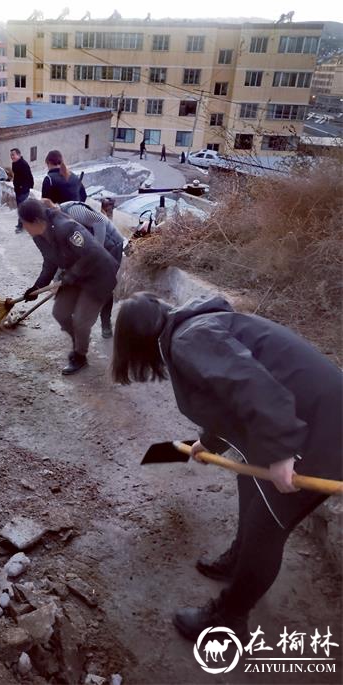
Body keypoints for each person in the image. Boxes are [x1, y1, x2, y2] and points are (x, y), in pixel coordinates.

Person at [112, 292, 342, 640]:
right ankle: (239, 557)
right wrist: (210, 442)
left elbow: (252, 386)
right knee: (249, 485)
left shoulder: (190, 339)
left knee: (266, 527)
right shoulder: (191, 327)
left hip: (322, 432)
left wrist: (282, 452)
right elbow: (225, 398)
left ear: (137, 343)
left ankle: (229, 618)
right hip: (304, 420)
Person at [19, 199, 118, 375]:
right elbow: (49, 262)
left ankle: (79, 356)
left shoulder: (66, 227)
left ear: (35, 221)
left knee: (81, 319)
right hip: (75, 276)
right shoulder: (39, 237)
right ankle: (78, 339)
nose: (24, 228)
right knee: (60, 312)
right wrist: (37, 286)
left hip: (99, 275)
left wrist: (71, 275)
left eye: (25, 224)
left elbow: (93, 253)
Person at [53, 199, 124, 338]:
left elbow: (99, 222)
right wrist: (57, 277)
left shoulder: (72, 210)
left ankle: (105, 324)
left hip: (110, 245)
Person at [10, 148, 34, 233]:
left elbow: (29, 176)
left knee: (21, 208)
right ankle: (24, 224)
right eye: (11, 155)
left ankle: (21, 226)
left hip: (23, 189)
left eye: (13, 154)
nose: (12, 157)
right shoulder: (15, 164)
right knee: (20, 207)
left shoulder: (23, 164)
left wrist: (26, 187)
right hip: (18, 189)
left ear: (19, 155)